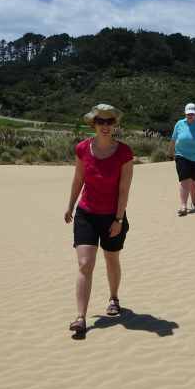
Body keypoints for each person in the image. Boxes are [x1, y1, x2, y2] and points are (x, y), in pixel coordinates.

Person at [64, 104, 134, 338]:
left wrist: (118, 219)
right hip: (86, 214)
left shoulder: (124, 153)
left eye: (109, 121)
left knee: (111, 258)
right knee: (85, 264)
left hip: (113, 216)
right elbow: (78, 180)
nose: (105, 126)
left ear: (115, 124)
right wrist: (70, 205)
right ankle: (80, 317)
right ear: (93, 124)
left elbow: (124, 190)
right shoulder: (82, 148)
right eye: (100, 121)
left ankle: (114, 297)